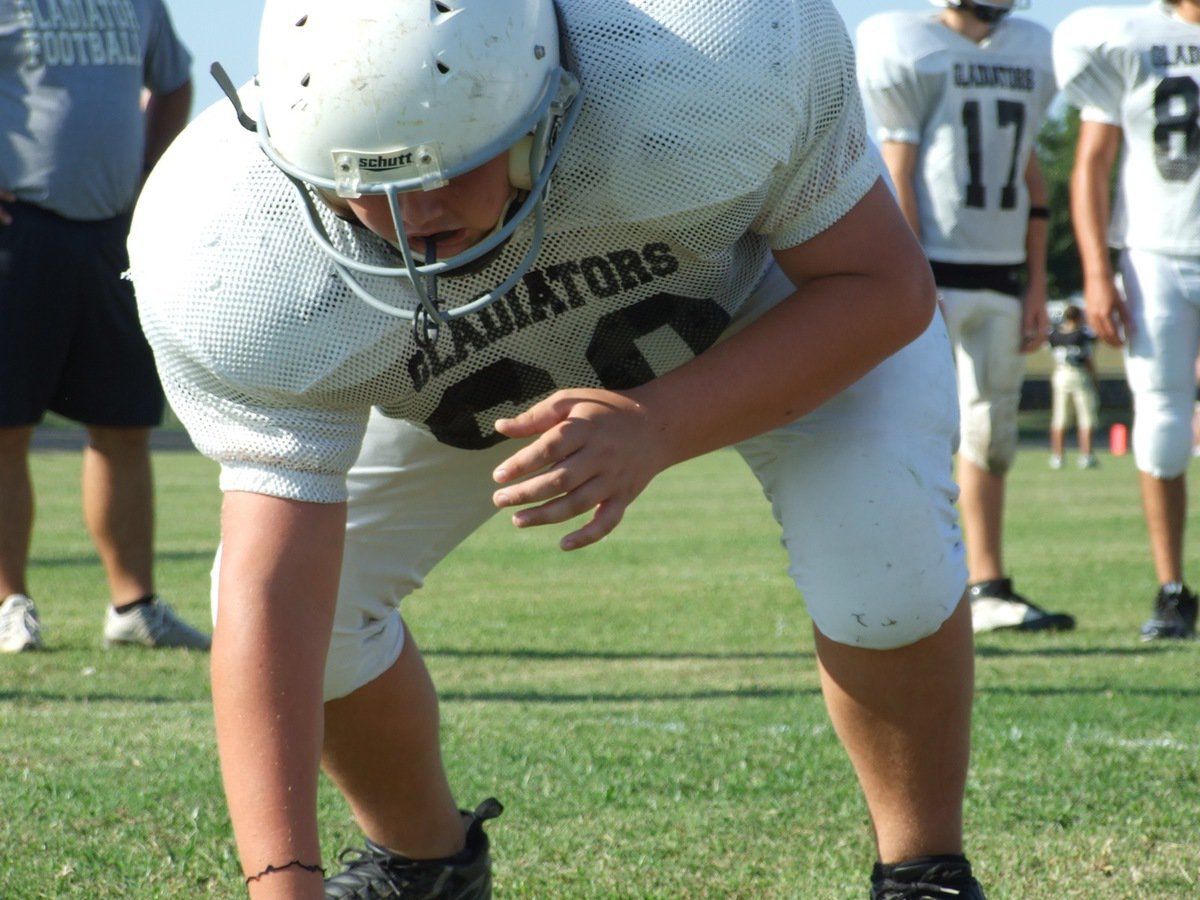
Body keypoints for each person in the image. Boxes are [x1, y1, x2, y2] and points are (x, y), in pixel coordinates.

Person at [128, 0, 988, 897]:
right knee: (313, 604)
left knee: (882, 551)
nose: (414, 212)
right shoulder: (228, 244)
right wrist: (281, 884)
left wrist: (658, 423)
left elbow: (881, 286)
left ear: (547, 102)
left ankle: (923, 869)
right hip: (459, 371)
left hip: (759, 304)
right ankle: (425, 864)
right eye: (365, 183)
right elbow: (273, 595)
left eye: (451, 165)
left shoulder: (707, 55)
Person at [857, 0, 1077, 634]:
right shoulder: (908, 42)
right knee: (918, 427)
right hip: (938, 272)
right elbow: (898, 171)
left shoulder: (1028, 48)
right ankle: (906, 582)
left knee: (992, 434)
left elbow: (1031, 178)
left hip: (1003, 274)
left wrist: (1038, 282)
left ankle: (988, 584)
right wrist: (912, 274)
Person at [0, 0, 209, 652]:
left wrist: (150, 175)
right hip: (18, 228)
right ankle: (8, 603)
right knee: (5, 427)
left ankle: (133, 606)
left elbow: (173, 83)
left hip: (117, 234)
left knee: (123, 424)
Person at [1055, 0, 1200, 641]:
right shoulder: (1125, 34)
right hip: (1155, 253)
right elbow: (1091, 162)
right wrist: (1094, 271)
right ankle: (1173, 591)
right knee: (1163, 424)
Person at [1047, 304, 1101, 470]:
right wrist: (1095, 379)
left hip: (1061, 374)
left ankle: (1058, 457)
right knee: (1086, 417)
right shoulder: (1083, 335)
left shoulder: (1055, 335)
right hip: (1079, 375)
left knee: (1059, 418)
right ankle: (1086, 456)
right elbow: (1088, 358)